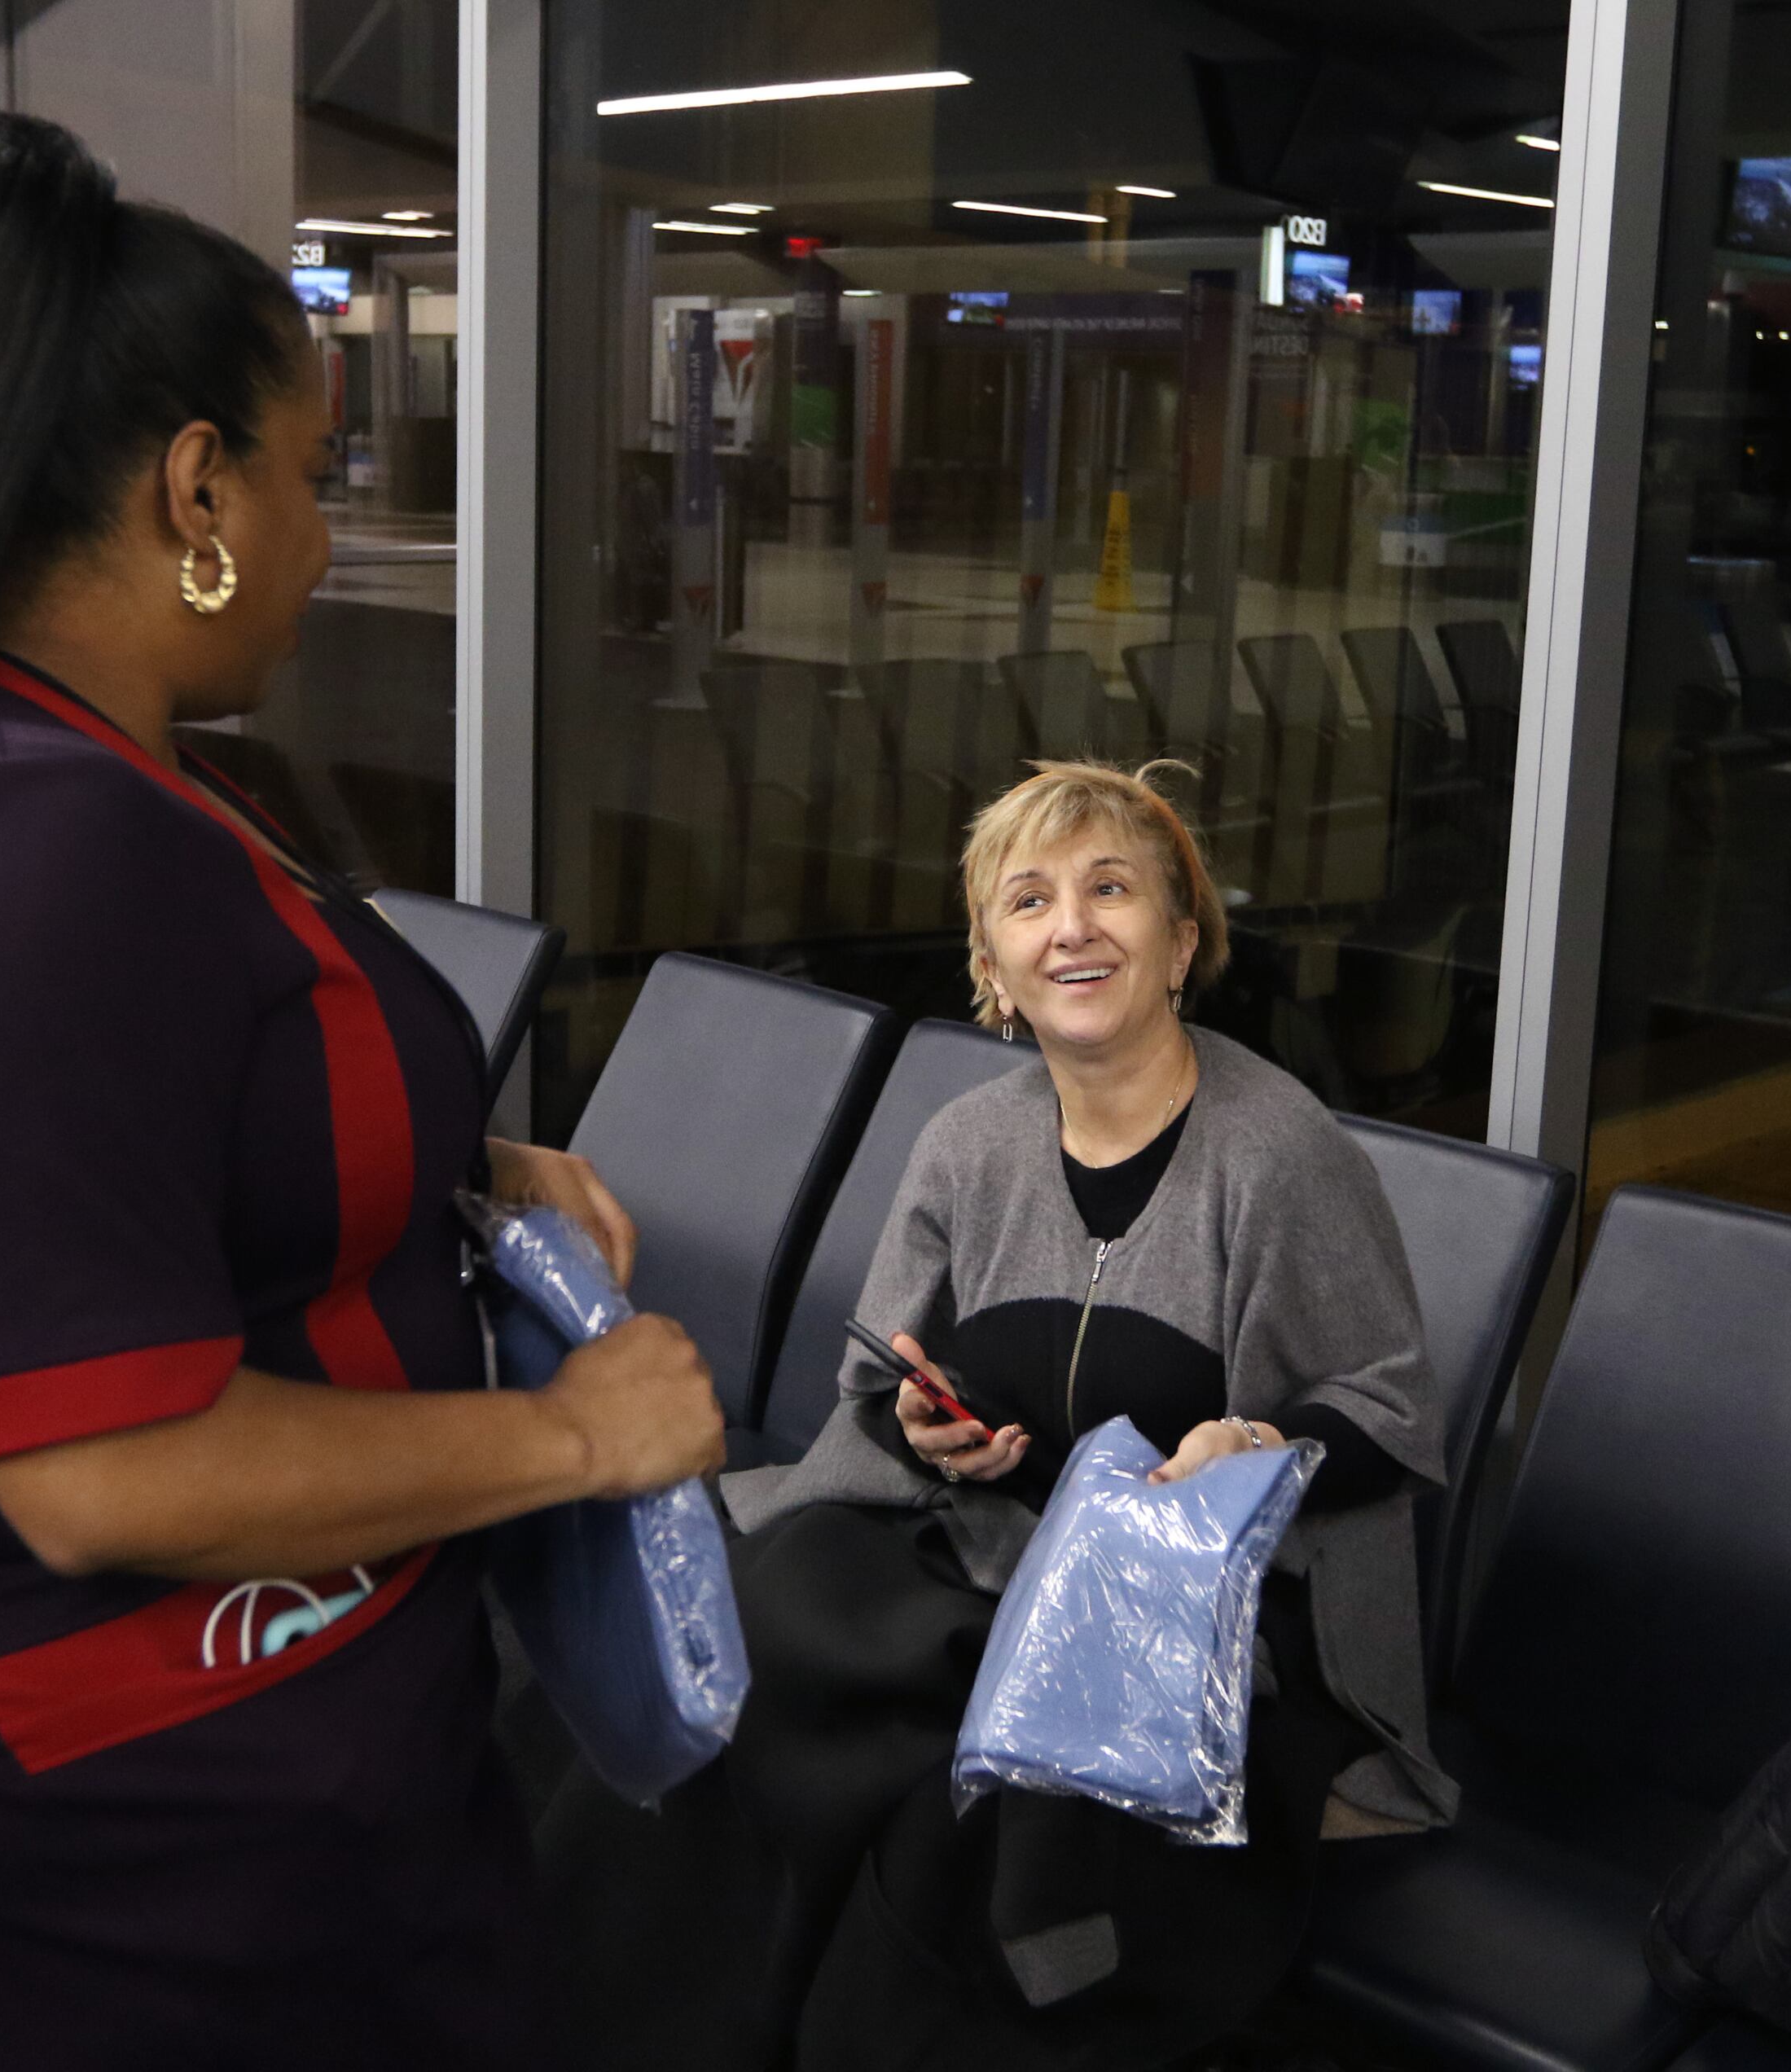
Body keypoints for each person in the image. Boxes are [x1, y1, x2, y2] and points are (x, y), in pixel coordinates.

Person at [0, 112, 723, 2070]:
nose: (327, 534)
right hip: (146, 1823)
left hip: (285, 1754)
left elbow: (134, 1125)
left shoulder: (59, 775)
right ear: (198, 490)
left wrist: (453, 1164)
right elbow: (105, 1463)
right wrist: (578, 1441)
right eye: (313, 471)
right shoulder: (23, 852)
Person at [539, 760, 1456, 2072]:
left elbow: (1388, 1402)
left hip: (1190, 1623)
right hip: (985, 1555)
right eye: (1030, 902)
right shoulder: (970, 1142)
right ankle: (629, 2006)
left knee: (940, 1804)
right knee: (748, 1619)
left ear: (1183, 940)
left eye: (1111, 890)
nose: (1071, 925)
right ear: (994, 964)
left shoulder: (1282, 1153)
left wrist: (1258, 1446)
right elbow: (889, 1380)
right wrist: (929, 1427)